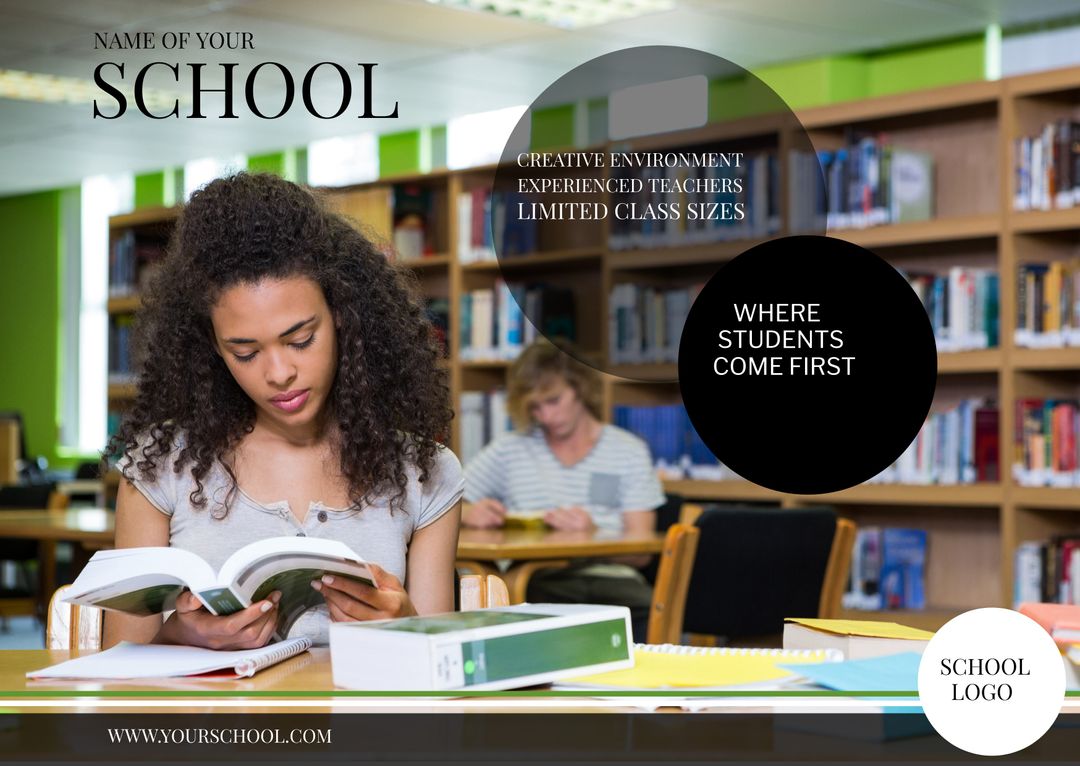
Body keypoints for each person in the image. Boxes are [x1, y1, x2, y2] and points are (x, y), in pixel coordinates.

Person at [102, 172, 462, 650]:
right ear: (212, 347)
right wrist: (178, 634)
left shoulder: (424, 473)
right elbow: (117, 674)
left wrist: (406, 623)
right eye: (245, 353)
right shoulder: (160, 467)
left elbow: (440, 681)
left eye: (301, 339)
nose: (278, 373)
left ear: (343, 316)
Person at [462, 340, 664, 639]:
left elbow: (641, 551)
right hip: (533, 577)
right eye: (535, 407)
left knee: (638, 606)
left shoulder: (628, 450)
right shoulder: (511, 448)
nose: (546, 416)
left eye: (553, 400)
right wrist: (469, 513)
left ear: (580, 387)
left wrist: (594, 533)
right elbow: (444, 501)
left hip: (609, 577)